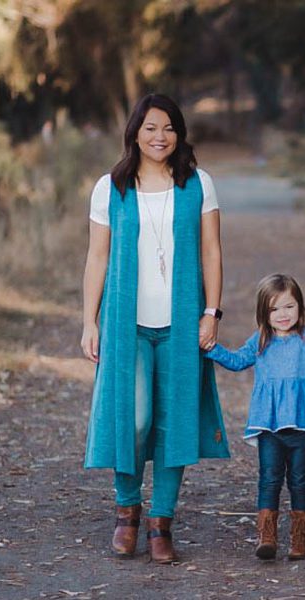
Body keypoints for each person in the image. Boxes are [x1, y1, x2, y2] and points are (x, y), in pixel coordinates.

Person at [81, 93, 230, 564]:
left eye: (168, 128)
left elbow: (212, 251)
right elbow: (97, 257)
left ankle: (161, 522)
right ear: (135, 133)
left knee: (176, 421)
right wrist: (90, 319)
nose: (159, 137)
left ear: (179, 134)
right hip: (129, 325)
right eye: (150, 128)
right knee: (137, 417)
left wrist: (212, 312)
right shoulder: (111, 188)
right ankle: (127, 511)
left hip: (182, 324)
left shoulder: (198, 184)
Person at [205, 274, 305, 561]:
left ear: (300, 307)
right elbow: (238, 361)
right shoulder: (261, 340)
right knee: (269, 479)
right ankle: (267, 537)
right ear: (264, 313)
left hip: (303, 424)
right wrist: (210, 349)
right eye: (274, 309)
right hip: (269, 424)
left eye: (289, 307)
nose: (282, 315)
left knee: (300, 479)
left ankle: (299, 539)